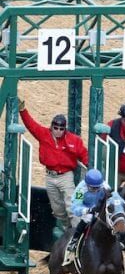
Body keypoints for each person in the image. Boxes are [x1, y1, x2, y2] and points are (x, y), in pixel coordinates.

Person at [18, 100, 88, 235]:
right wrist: (23, 110)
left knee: (71, 207)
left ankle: (77, 234)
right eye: (56, 128)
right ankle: (69, 230)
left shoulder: (74, 140)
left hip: (66, 176)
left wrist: (89, 165)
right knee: (57, 210)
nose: (58, 131)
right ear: (52, 127)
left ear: (65, 129)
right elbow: (31, 125)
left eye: (61, 129)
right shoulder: (43, 134)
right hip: (50, 177)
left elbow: (84, 154)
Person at [65, 169, 112, 261]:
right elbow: (75, 208)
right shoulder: (80, 190)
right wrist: (87, 210)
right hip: (87, 209)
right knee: (87, 219)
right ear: (86, 184)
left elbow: (112, 198)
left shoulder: (105, 186)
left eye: (97, 188)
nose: (95, 190)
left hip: (101, 208)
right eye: (92, 188)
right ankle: (74, 240)